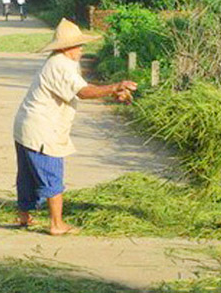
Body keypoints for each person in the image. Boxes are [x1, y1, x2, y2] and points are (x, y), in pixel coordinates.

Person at [13, 18, 137, 236]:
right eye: (78, 45)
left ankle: (24, 216)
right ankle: (56, 224)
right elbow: (83, 92)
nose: (81, 49)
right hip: (42, 129)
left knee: (27, 174)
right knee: (51, 173)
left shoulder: (63, 62)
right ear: (65, 47)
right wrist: (115, 86)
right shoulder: (60, 64)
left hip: (26, 125)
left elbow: (81, 89)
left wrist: (111, 92)